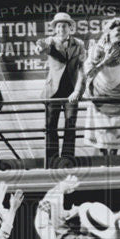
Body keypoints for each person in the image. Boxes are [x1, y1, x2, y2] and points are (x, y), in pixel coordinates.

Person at [82, 16, 120, 159]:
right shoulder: (97, 49)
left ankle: (114, 159)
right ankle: (105, 160)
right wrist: (105, 60)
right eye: (117, 30)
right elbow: (89, 72)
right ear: (108, 32)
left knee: (118, 128)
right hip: (100, 91)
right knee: (101, 129)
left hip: (119, 91)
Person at [41, 12, 86, 167]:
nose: (61, 29)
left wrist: (77, 91)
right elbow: (41, 50)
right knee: (50, 126)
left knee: (70, 125)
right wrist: (40, 47)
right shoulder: (50, 41)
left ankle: (67, 161)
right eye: (58, 26)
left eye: (64, 26)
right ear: (55, 28)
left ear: (70, 27)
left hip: (71, 92)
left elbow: (81, 70)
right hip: (52, 91)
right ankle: (52, 161)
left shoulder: (79, 44)